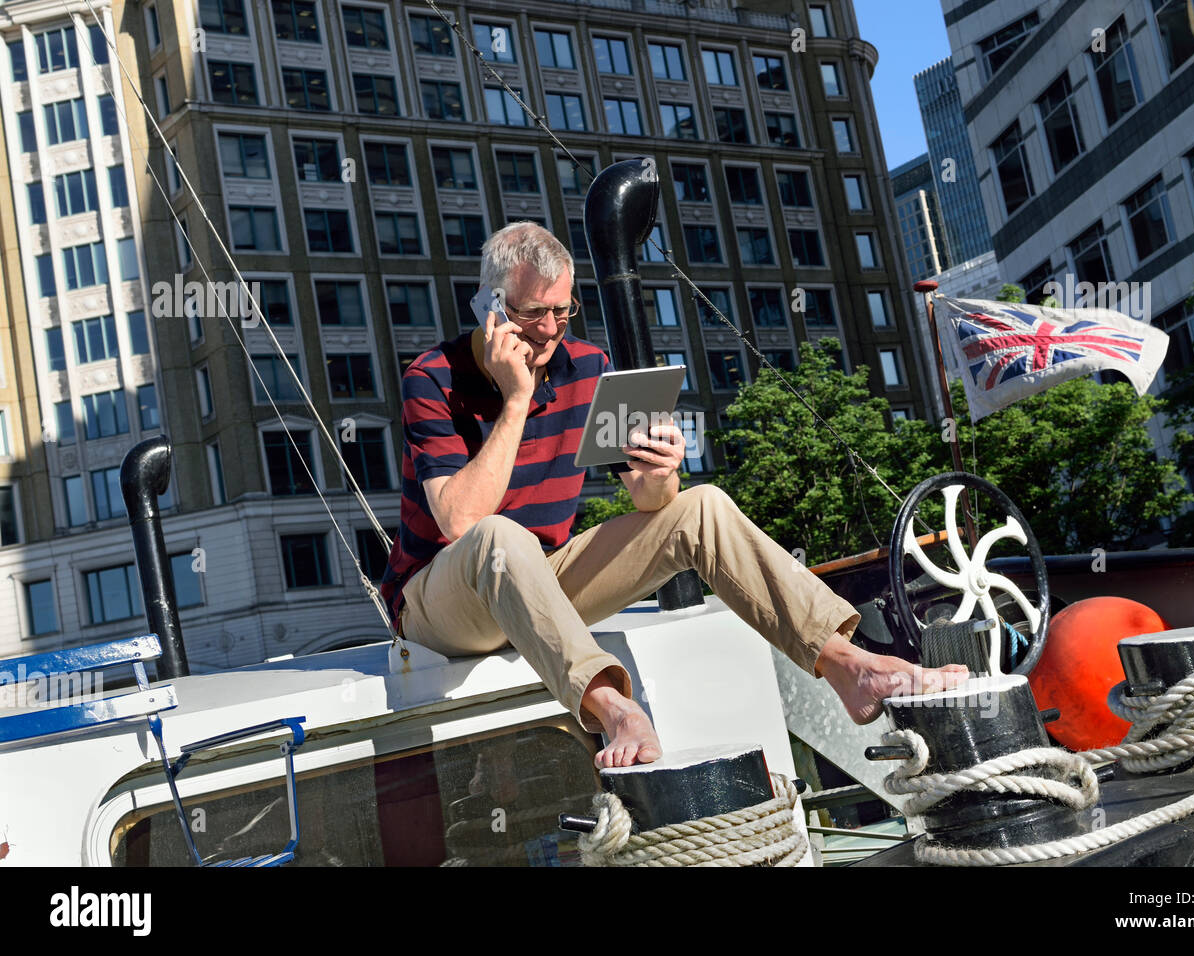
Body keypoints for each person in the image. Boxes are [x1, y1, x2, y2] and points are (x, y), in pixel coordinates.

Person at [380, 223, 968, 768]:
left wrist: (662, 472)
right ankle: (614, 710)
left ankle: (849, 666)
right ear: (491, 307)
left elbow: (649, 501)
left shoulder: (590, 366)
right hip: (441, 602)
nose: (552, 330)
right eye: (534, 313)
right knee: (499, 537)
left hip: (538, 582)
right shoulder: (432, 375)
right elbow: (460, 520)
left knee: (702, 505)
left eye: (563, 310)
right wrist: (515, 399)